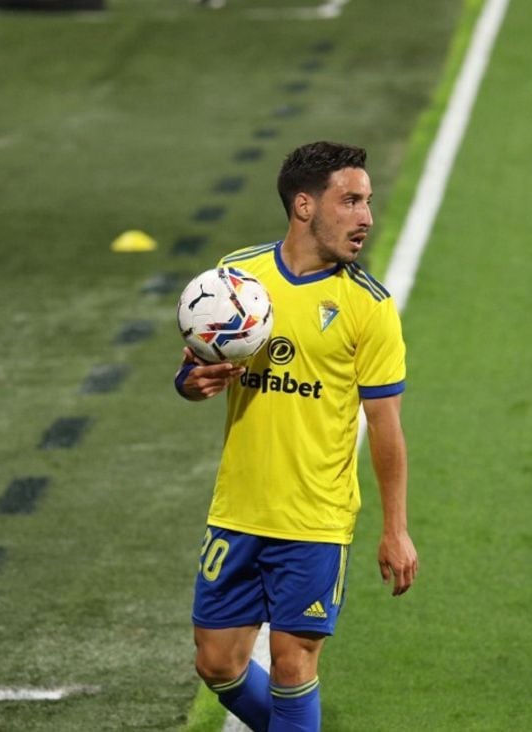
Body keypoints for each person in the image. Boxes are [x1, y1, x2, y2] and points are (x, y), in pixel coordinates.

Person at [174, 141, 419, 731]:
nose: (366, 216)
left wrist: (395, 528)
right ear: (304, 206)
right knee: (216, 663)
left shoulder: (368, 306)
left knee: (293, 664)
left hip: (315, 518)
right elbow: (193, 369)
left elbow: (386, 425)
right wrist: (191, 382)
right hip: (239, 508)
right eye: (351, 201)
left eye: (368, 202)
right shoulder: (238, 277)